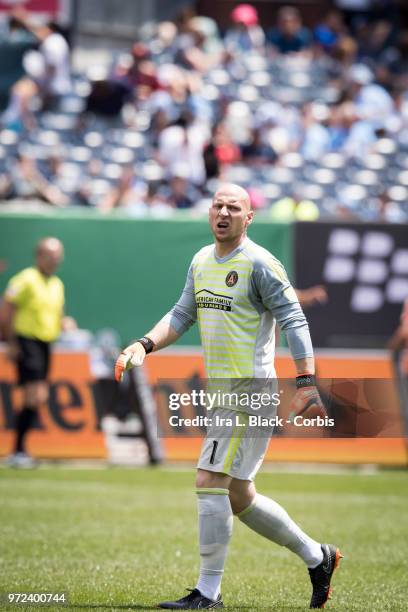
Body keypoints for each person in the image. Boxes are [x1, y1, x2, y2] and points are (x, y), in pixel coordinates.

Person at [114, 184, 342, 609]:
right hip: (222, 392)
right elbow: (183, 313)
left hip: (250, 391)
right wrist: (143, 344)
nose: (223, 212)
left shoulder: (259, 263)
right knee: (238, 495)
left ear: (248, 218)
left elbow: (294, 318)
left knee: (209, 480)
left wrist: (307, 380)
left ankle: (208, 593)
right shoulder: (201, 260)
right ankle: (319, 557)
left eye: (233, 207)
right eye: (217, 205)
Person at [1, 237, 72, 467]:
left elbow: (57, 312)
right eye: (51, 255)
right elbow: (7, 309)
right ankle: (18, 451)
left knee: (37, 396)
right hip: (26, 340)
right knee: (34, 394)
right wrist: (11, 342)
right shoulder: (25, 279)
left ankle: (19, 450)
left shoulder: (57, 283)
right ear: (39, 256)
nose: (56, 260)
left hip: (45, 343)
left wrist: (65, 323)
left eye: (58, 255)